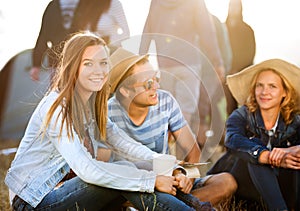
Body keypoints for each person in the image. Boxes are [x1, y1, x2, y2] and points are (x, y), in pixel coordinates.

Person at [5, 31, 211, 211]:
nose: (99, 70)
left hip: (60, 192)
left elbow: (123, 143)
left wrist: (164, 164)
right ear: (72, 67)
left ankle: (195, 206)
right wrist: (150, 180)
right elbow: (87, 169)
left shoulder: (89, 106)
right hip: (32, 202)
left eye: (103, 63)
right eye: (88, 64)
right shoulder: (57, 107)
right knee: (118, 175)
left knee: (124, 170)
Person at [108, 47, 237, 207]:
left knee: (226, 182)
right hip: (134, 188)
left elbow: (193, 151)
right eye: (148, 83)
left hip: (170, 182)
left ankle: (172, 206)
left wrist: (186, 177)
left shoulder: (165, 101)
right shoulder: (108, 114)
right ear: (126, 91)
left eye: (156, 78)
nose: (156, 85)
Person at [208, 59, 300, 210]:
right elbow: (233, 140)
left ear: (285, 92)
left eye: (272, 86)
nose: (264, 92)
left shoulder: (295, 121)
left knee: (295, 159)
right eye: (260, 85)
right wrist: (266, 156)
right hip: (241, 181)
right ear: (254, 89)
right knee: (255, 157)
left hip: (278, 187)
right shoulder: (241, 115)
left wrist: (294, 150)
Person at [139, 0, 226, 148]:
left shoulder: (156, 2)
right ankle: (184, 161)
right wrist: (217, 62)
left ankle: (166, 158)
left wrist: (140, 59)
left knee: (167, 113)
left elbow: (148, 31)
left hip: (165, 65)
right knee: (186, 114)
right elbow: (207, 32)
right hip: (189, 63)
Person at [30, 0, 129, 82]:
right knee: (59, 94)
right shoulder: (54, 6)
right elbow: (43, 34)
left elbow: (125, 32)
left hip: (86, 59)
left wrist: (108, 46)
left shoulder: (108, 4)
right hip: (59, 62)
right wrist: (36, 63)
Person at [224, 0, 256, 116]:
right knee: (230, 107)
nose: (234, 9)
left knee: (246, 105)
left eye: (236, 6)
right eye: (232, 6)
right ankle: (232, 131)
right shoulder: (223, 28)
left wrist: (238, 70)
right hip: (226, 75)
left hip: (244, 74)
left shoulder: (248, 30)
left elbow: (250, 52)